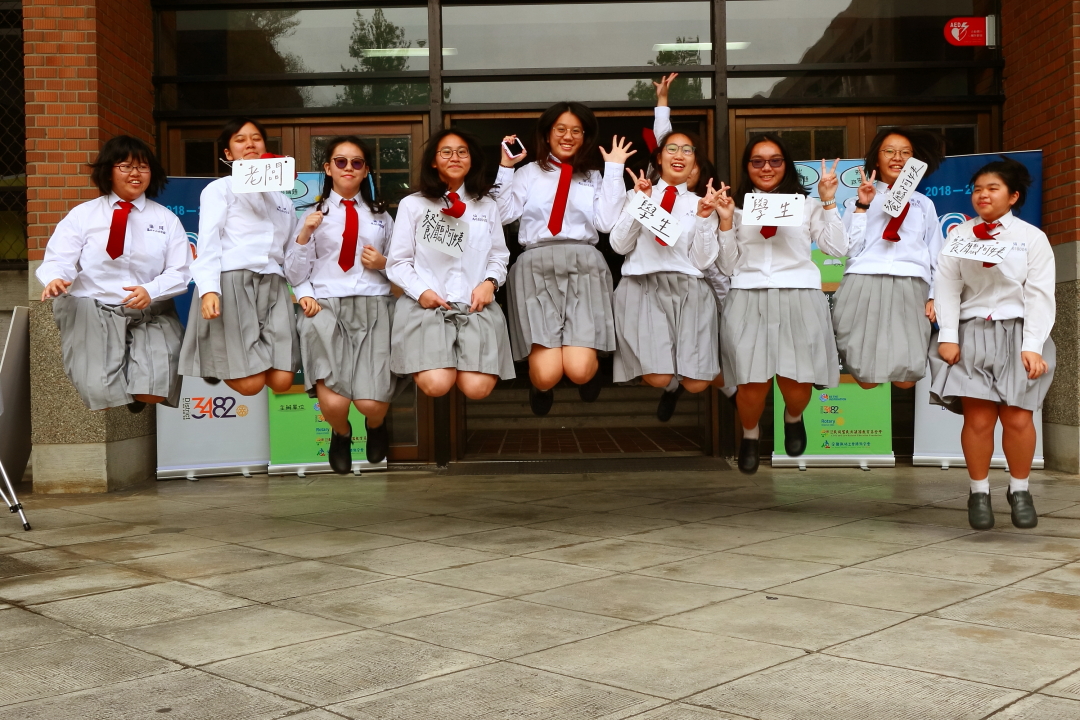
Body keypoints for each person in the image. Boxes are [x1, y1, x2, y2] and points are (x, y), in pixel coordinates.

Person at [929, 158, 1054, 530]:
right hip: (972, 332)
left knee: (1017, 417)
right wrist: (948, 336)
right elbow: (947, 287)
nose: (982, 195)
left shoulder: (1032, 238)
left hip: (1020, 333)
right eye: (978, 189)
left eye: (992, 188)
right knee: (979, 418)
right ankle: (979, 492)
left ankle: (1020, 490)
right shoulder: (959, 235)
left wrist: (1033, 345)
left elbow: (1040, 294)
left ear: (1013, 196)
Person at [495, 102, 636, 416]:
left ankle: (589, 372)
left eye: (576, 131)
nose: (568, 136)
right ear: (547, 134)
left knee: (579, 370)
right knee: (547, 374)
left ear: (585, 137)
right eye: (560, 129)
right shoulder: (528, 173)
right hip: (535, 265)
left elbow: (606, 223)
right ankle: (540, 385)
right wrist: (506, 167)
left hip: (584, 264)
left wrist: (614, 170)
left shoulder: (594, 176)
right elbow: (502, 214)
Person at [719, 134, 846, 474]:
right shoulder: (735, 207)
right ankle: (750, 434)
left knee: (797, 383)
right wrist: (726, 222)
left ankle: (793, 417)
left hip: (799, 294)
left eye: (775, 160)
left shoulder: (808, 205)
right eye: (757, 161)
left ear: (786, 165)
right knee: (750, 384)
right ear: (747, 167)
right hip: (748, 294)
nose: (767, 167)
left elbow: (837, 249)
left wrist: (829, 201)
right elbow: (727, 266)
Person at [37, 135, 190, 412]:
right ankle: (120, 384)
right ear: (108, 171)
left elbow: (180, 270)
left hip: (149, 311)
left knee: (153, 392)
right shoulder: (83, 215)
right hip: (94, 309)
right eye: (125, 166)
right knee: (103, 399)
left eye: (142, 167)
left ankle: (137, 388)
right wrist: (55, 278)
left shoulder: (166, 219)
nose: (135, 173)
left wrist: (151, 290)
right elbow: (59, 257)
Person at [285, 136, 395, 472]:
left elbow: (403, 266)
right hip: (325, 306)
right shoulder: (310, 215)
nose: (349, 168)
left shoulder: (382, 216)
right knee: (334, 403)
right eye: (341, 161)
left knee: (371, 403)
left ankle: (376, 425)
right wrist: (304, 236)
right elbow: (294, 272)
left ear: (366, 171)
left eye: (357, 162)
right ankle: (341, 433)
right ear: (328, 168)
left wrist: (384, 264)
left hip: (374, 305)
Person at [386, 129, 514, 400]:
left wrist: (490, 283)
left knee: (478, 389)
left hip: (476, 307)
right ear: (434, 161)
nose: (455, 157)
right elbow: (398, 262)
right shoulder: (413, 205)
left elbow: (499, 256)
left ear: (471, 160)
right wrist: (422, 292)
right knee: (437, 384)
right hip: (427, 306)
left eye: (462, 152)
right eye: (446, 152)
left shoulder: (486, 206)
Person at [179, 117, 301, 397]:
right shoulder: (219, 189)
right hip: (232, 281)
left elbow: (289, 251)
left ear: (265, 147)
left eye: (256, 138)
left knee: (282, 380)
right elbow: (208, 242)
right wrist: (209, 290)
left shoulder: (283, 200)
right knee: (251, 385)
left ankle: (223, 359)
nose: (250, 144)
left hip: (273, 283)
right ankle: (216, 361)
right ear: (228, 153)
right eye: (240, 139)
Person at [609, 133, 722, 403]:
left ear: (694, 162)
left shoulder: (702, 203)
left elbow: (703, 262)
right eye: (672, 149)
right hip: (642, 285)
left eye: (687, 150)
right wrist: (641, 203)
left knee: (697, 382)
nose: (679, 155)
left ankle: (676, 382)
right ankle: (669, 383)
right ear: (659, 158)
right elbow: (619, 246)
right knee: (658, 376)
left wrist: (704, 218)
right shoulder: (636, 195)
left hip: (690, 290)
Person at [652, 72, 736, 420]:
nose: (683, 167)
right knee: (671, 344)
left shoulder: (711, 204)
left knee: (708, 347)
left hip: (712, 284)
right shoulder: (657, 192)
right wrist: (662, 103)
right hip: (673, 284)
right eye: (675, 157)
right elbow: (666, 140)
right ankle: (672, 387)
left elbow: (723, 259)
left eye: (692, 166)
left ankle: (729, 390)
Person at [833, 127, 945, 389]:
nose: (897, 158)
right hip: (864, 280)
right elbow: (850, 248)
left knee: (906, 377)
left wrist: (934, 295)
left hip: (910, 283)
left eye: (905, 153)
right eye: (889, 151)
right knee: (866, 375)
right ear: (876, 159)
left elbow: (936, 254)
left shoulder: (923, 203)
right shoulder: (859, 200)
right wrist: (863, 205)